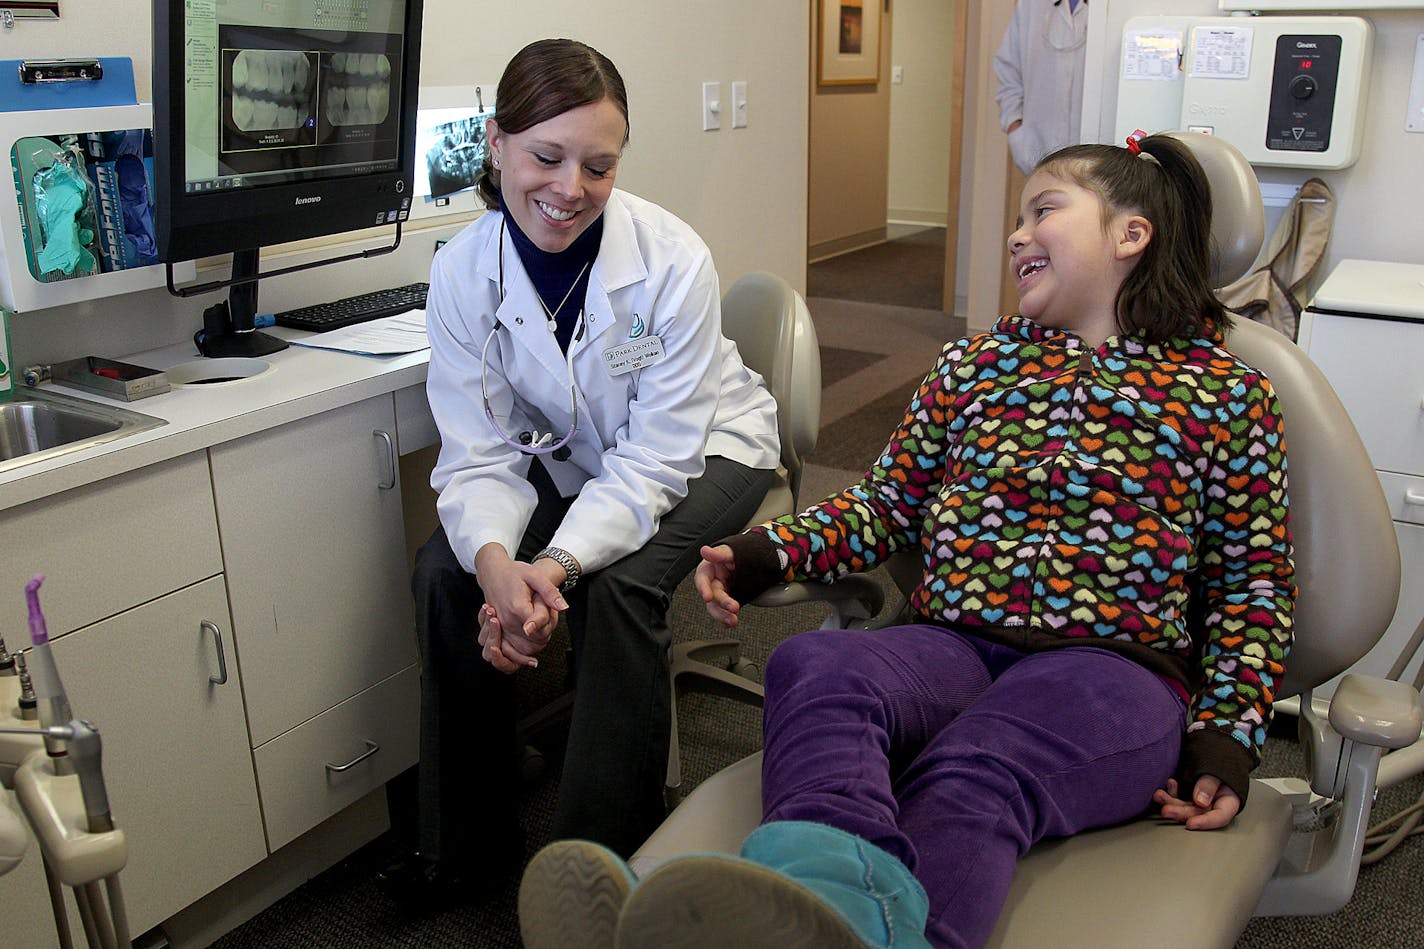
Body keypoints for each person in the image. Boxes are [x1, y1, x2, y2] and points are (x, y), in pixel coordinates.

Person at [516, 132, 1294, 949]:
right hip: (951, 642)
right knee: (813, 664)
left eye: (1045, 211)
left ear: (1130, 235)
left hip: (1114, 673)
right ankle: (814, 915)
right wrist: (768, 552)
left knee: (977, 764)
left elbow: (1252, 584)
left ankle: (839, 930)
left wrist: (1227, 738)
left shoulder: (1223, 393)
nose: (1017, 233)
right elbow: (887, 503)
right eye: (1018, 218)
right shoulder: (975, 367)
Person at [379, 38, 780, 906]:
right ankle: (467, 848)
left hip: (710, 445)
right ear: (496, 142)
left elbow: (657, 460)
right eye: (546, 156)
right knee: (442, 576)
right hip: (575, 461)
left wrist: (551, 567)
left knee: (622, 583)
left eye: (598, 166)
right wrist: (496, 568)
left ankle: (598, 874)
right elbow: (477, 451)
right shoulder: (460, 273)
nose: (570, 189)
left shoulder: (671, 261)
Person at [994, 0, 1089, 175]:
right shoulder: (1030, 5)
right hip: (1037, 152)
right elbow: (1008, 72)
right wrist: (1016, 130)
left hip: (1097, 157)